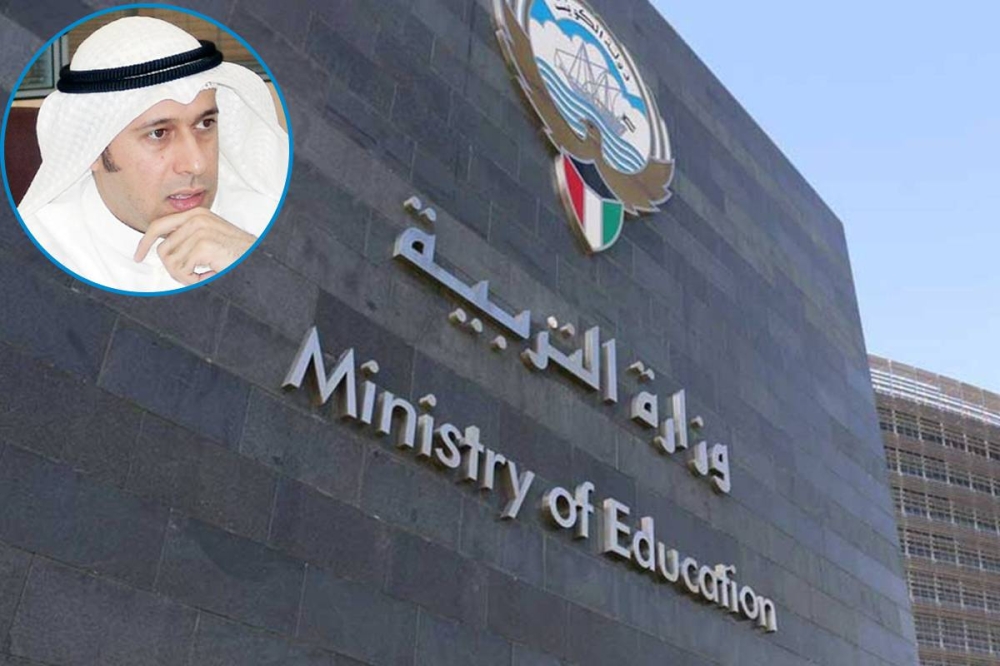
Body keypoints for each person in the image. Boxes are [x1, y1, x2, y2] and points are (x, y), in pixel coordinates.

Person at [17, 15, 288, 292]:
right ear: (92, 150)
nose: (196, 164)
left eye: (205, 124)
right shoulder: (36, 254)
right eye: (158, 134)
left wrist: (254, 265)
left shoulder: (269, 218)